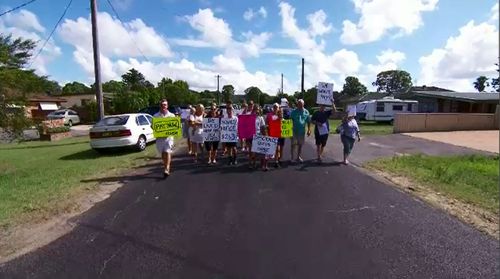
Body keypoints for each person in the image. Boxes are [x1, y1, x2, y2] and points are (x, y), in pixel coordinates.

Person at [154, 99, 176, 178]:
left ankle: (167, 168)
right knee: (163, 154)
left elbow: (175, 127)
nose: (163, 106)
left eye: (165, 105)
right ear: (160, 106)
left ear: (167, 106)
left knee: (167, 152)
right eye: (162, 105)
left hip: (168, 138)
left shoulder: (172, 115)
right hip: (160, 138)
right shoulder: (156, 116)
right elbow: (153, 126)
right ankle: (165, 165)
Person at [290, 99, 311, 163]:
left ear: (303, 104)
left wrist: (309, 130)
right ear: (297, 104)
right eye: (299, 104)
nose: (300, 106)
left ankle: (298, 157)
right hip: (294, 131)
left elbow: (309, 122)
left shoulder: (306, 112)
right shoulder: (293, 112)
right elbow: (290, 121)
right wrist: (289, 132)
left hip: (302, 131)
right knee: (293, 145)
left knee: (300, 145)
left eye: (301, 105)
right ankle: (292, 158)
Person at [266, 103, 285, 168]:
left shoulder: (282, 117)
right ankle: (276, 161)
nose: (275, 108)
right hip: (275, 135)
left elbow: (285, 126)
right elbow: (269, 123)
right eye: (274, 107)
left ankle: (279, 159)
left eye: (276, 107)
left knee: (281, 148)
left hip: (282, 135)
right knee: (277, 149)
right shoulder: (272, 116)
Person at [248, 105, 266, 169]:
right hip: (250, 136)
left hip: (257, 136)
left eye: (258, 109)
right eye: (255, 109)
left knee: (255, 150)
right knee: (250, 151)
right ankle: (251, 163)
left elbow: (263, 127)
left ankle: (254, 162)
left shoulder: (261, 118)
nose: (256, 111)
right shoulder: (249, 116)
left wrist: (264, 136)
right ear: (253, 110)